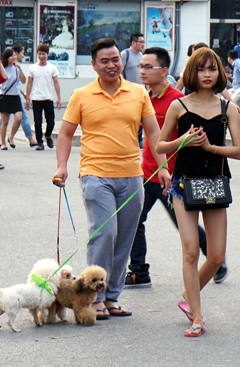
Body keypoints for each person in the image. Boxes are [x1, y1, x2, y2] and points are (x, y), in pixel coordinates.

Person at [52, 38, 170, 320]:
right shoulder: (82, 95)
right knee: (104, 233)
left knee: (125, 238)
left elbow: (153, 133)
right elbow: (66, 133)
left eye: (115, 59)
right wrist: (61, 167)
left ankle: (113, 296)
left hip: (132, 175)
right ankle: (95, 297)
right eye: (104, 61)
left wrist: (163, 167)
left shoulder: (138, 93)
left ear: (123, 60)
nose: (111, 65)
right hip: (95, 175)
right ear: (93, 65)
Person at [155, 47, 240, 337]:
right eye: (201, 69)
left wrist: (209, 148)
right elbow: (159, 146)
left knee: (216, 256)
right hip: (184, 185)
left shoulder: (226, 107)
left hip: (215, 184)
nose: (207, 75)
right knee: (192, 251)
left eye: (213, 69)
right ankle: (197, 315)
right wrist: (182, 141)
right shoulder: (178, 106)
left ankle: (188, 294)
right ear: (192, 73)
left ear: (220, 73)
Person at [125, 46, 228, 289]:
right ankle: (139, 271)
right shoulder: (144, 98)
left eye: (147, 66)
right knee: (133, 220)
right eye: (140, 66)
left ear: (163, 71)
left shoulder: (177, 101)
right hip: (146, 172)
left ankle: (216, 260)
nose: (142, 71)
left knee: (184, 228)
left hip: (173, 176)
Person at [26, 44, 61, 151]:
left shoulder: (52, 68)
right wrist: (27, 98)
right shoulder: (32, 68)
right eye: (40, 54)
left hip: (48, 98)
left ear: (48, 55)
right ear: (37, 55)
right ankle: (40, 142)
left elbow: (56, 82)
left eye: (44, 54)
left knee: (51, 121)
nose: (41, 56)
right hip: (36, 98)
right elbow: (29, 83)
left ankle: (48, 136)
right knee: (38, 122)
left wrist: (59, 98)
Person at [0, 48, 26, 150]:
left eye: (14, 55)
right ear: (6, 58)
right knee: (5, 122)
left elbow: (23, 81)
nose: (14, 57)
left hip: (15, 96)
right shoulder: (1, 68)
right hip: (5, 96)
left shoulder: (17, 68)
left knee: (18, 118)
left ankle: (11, 137)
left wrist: (20, 68)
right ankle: (3, 142)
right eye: (11, 56)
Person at [121, 32, 145, 146]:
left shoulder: (142, 56)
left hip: (141, 91)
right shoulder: (125, 54)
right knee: (129, 116)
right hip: (128, 91)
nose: (143, 44)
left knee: (140, 116)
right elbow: (119, 72)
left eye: (144, 42)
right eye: (141, 42)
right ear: (133, 43)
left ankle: (138, 139)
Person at [11, 44, 38, 147]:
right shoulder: (12, 66)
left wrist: (24, 94)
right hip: (11, 96)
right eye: (22, 53)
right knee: (21, 117)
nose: (23, 55)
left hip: (16, 95)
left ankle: (2, 138)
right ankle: (30, 138)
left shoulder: (16, 65)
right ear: (16, 53)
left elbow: (17, 84)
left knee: (8, 119)